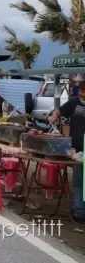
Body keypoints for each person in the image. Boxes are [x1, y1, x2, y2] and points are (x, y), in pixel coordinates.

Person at [48, 83, 85, 222]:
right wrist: (54, 116)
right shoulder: (74, 102)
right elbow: (60, 111)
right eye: (81, 90)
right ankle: (79, 212)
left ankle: (79, 210)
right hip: (77, 148)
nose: (82, 93)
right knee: (79, 180)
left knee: (82, 180)